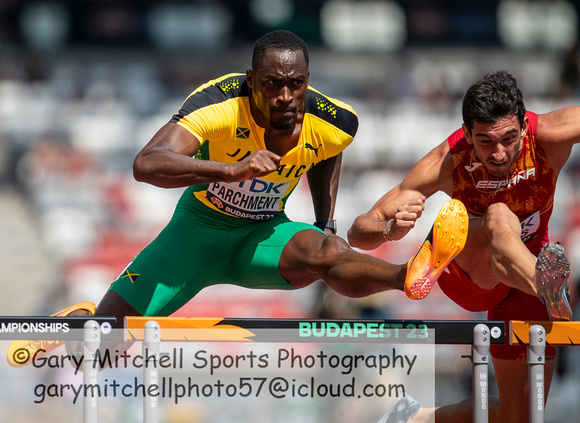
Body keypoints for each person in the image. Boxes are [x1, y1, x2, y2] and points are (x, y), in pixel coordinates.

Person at [9, 30, 444, 367]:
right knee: (104, 349)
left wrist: (324, 220)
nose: (286, 97)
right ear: (252, 80)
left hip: (261, 236)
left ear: (308, 81)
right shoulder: (218, 104)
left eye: (296, 84)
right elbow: (146, 164)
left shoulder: (336, 121)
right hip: (195, 236)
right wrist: (229, 170)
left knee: (328, 251)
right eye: (273, 84)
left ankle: (407, 275)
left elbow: (328, 151)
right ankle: (77, 321)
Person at [348, 70, 574, 423]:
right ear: (468, 133)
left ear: (524, 126)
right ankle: (543, 287)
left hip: (521, 282)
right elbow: (358, 232)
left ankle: (412, 418)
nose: (499, 153)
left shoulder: (550, 135)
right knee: (500, 216)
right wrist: (389, 229)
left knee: (522, 417)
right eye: (485, 141)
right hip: (471, 276)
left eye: (509, 139)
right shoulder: (447, 161)